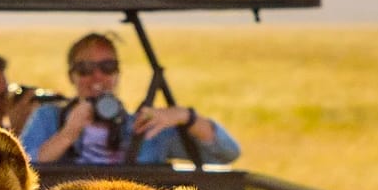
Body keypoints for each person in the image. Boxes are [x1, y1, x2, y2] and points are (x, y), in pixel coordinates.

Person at [18, 32, 240, 166]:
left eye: (107, 67)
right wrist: (67, 134)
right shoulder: (49, 118)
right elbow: (20, 172)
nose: (97, 77)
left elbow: (226, 153)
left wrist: (186, 116)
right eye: (85, 69)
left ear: (117, 75)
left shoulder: (145, 129)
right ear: (71, 76)